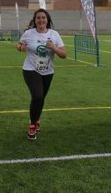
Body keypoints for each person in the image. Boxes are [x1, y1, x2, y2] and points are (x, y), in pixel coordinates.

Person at [16, 9, 66, 140]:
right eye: (38, 18)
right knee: (37, 96)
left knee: (41, 98)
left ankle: (36, 118)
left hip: (48, 71)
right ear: (35, 20)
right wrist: (22, 48)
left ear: (47, 20)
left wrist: (54, 48)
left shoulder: (54, 34)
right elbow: (19, 45)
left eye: (43, 17)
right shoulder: (29, 33)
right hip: (30, 69)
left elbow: (64, 55)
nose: (41, 20)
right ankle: (32, 125)